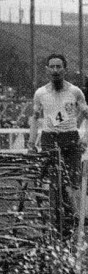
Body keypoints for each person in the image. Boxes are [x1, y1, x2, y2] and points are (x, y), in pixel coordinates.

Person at [28, 53, 88, 234]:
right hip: (49, 140)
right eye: (52, 67)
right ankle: (57, 222)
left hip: (70, 139)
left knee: (73, 183)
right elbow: (35, 118)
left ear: (65, 69)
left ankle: (77, 218)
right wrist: (31, 142)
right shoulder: (40, 93)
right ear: (47, 70)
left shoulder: (75, 92)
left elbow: (86, 114)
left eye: (58, 67)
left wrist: (85, 138)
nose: (55, 70)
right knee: (55, 183)